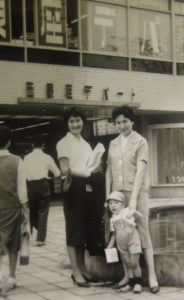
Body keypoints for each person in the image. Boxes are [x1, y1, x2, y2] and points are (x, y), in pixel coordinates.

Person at [106, 105, 159, 293]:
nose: (121, 125)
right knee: (121, 233)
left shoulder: (141, 141)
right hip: (117, 195)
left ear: (132, 121)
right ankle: (127, 276)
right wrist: (108, 196)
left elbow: (141, 171)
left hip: (136, 192)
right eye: (118, 122)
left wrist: (134, 199)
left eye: (125, 121)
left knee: (142, 231)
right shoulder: (112, 143)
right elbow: (109, 171)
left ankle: (152, 275)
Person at [56, 107, 102, 287]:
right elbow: (64, 170)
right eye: (71, 121)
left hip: (86, 187)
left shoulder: (86, 144)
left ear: (83, 121)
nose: (75, 124)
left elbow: (90, 165)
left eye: (78, 120)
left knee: (84, 228)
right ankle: (75, 272)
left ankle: (83, 269)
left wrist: (95, 169)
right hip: (72, 187)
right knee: (74, 229)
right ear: (67, 124)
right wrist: (87, 173)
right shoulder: (63, 143)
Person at [0, 125, 29, 292]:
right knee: (13, 245)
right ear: (9, 142)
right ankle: (11, 276)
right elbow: (22, 190)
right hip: (13, 208)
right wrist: (26, 210)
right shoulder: (17, 161)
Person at [24, 136, 60, 246]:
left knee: (33, 211)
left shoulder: (26, 158)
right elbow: (57, 173)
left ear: (32, 145)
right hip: (43, 184)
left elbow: (23, 174)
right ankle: (40, 238)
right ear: (43, 145)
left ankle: (37, 228)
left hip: (30, 185)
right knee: (43, 211)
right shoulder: (47, 157)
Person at [107, 191, 143, 293]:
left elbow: (140, 217)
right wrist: (110, 245)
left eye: (116, 202)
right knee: (127, 263)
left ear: (123, 204)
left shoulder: (126, 211)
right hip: (121, 243)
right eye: (110, 203)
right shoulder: (112, 219)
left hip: (132, 240)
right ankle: (130, 283)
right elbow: (114, 233)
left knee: (134, 263)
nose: (113, 205)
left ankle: (138, 283)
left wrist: (134, 212)